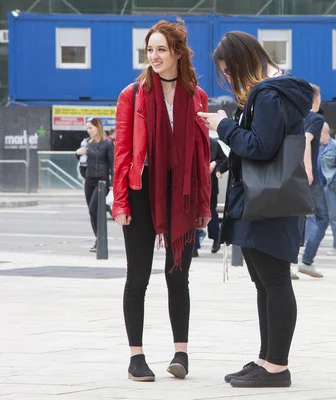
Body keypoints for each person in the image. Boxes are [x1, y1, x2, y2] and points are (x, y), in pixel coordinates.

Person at [198, 30, 313, 388]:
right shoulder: (270, 94)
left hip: (268, 204)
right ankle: (266, 359)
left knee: (274, 281)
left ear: (244, 62)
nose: (228, 78)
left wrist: (224, 126)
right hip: (263, 201)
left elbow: (261, 147)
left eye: (229, 71)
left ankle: (277, 366)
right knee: (265, 282)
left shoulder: (266, 95)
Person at [112, 20, 212, 382]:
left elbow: (202, 157)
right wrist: (120, 201)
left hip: (181, 192)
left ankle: (180, 353)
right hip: (142, 191)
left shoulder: (196, 96)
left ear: (177, 53)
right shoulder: (133, 94)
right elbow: (122, 152)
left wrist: (203, 205)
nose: (153, 56)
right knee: (137, 277)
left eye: (161, 50)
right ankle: (136, 356)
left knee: (178, 276)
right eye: (149, 50)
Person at [297, 84, 327, 278]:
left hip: (293, 174)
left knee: (297, 218)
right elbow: (306, 140)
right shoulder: (315, 118)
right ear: (315, 99)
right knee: (322, 218)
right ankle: (307, 261)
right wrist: (308, 169)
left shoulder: (296, 117)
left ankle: (288, 264)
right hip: (309, 175)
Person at [76, 117, 114, 252]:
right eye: (87, 128)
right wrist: (77, 153)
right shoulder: (86, 143)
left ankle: (100, 240)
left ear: (98, 128)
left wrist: (112, 183)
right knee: (92, 213)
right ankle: (98, 239)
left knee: (94, 209)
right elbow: (82, 161)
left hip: (102, 181)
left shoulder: (108, 144)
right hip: (89, 180)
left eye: (91, 128)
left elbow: (112, 164)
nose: (89, 130)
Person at [318, 122, 336, 255]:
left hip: (329, 186)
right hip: (317, 186)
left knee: (333, 216)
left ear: (324, 132)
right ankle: (309, 244)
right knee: (313, 216)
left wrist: (333, 185)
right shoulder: (317, 147)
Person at [208, 137, 228, 252]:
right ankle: (193, 247)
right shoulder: (189, 139)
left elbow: (224, 159)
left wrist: (216, 167)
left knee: (211, 213)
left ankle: (216, 238)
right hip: (194, 184)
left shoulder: (214, 143)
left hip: (210, 185)